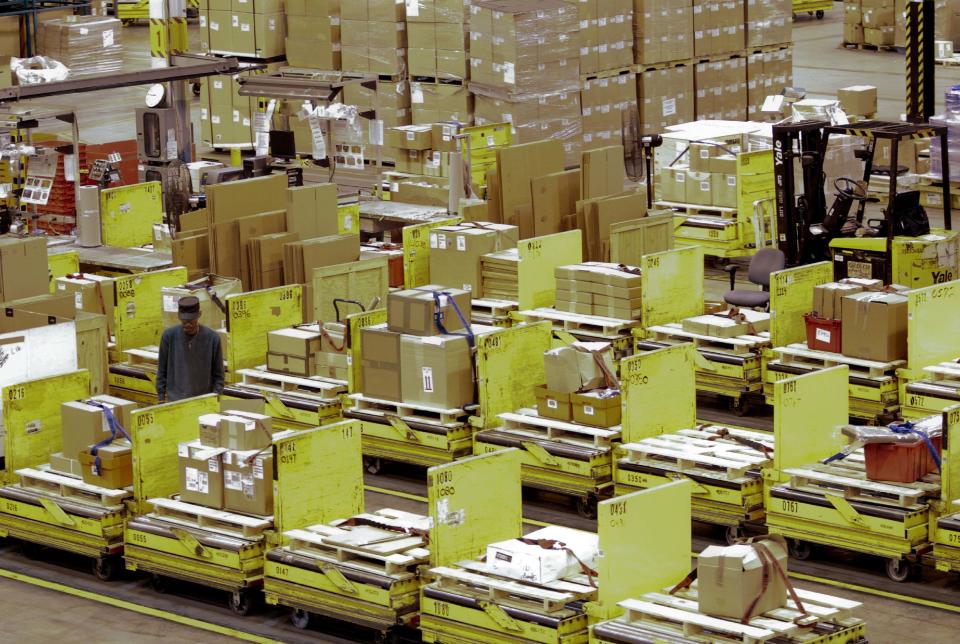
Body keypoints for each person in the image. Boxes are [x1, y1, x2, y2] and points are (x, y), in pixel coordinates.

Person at [156, 295, 224, 403]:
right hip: (175, 400)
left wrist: (215, 397)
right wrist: (161, 397)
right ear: (179, 316)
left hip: (203, 400)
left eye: (191, 321)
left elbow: (219, 374)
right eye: (184, 321)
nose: (187, 325)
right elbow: (161, 370)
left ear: (199, 315)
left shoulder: (213, 338)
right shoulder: (168, 336)